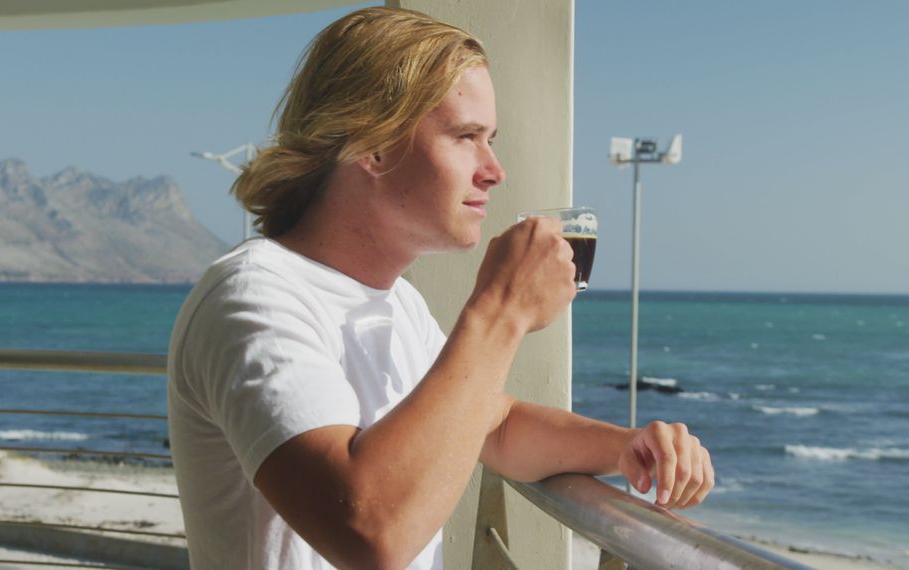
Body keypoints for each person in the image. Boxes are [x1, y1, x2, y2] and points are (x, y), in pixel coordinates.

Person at [166, 7, 713, 570]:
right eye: (466, 137)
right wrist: (500, 312)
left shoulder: (397, 301)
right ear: (370, 145)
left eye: (490, 139)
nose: (494, 170)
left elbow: (493, 425)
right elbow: (370, 532)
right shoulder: (254, 297)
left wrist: (626, 448)